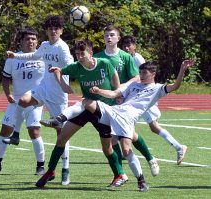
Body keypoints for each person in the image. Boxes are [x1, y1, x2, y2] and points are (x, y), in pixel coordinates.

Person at [37, 39, 132, 189]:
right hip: (85, 108)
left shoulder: (104, 64)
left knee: (107, 148)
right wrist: (61, 81)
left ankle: (119, 174)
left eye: (82, 54)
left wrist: (115, 96)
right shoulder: (76, 67)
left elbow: (116, 85)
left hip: (103, 111)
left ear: (91, 53)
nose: (80, 57)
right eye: (77, 54)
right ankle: (50, 171)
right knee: (62, 138)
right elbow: (60, 71)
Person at [4, 15, 74, 185]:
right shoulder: (44, 45)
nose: (53, 31)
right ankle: (16, 135)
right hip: (43, 89)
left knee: (62, 134)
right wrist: (15, 56)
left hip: (57, 96)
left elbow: (71, 66)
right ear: (47, 31)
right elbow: (34, 56)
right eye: (50, 29)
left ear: (61, 31)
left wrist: (63, 78)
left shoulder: (63, 48)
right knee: (23, 101)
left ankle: (65, 169)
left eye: (56, 29)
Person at [94, 25, 159, 175]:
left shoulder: (125, 56)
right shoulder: (97, 57)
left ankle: (150, 158)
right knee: (111, 137)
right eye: (106, 35)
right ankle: (120, 173)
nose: (109, 38)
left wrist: (121, 89)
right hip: (105, 101)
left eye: (112, 35)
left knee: (129, 135)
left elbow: (136, 77)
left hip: (122, 102)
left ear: (118, 38)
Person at [0, 28, 46, 175]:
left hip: (35, 101)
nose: (30, 41)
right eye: (27, 39)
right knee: (5, 130)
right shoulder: (13, 58)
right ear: (21, 41)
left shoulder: (42, 56)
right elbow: (5, 78)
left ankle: (40, 166)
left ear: (37, 42)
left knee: (34, 131)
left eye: (33, 39)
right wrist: (8, 94)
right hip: (16, 101)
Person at [121, 35, 187, 164]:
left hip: (145, 98)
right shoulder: (126, 58)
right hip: (137, 96)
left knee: (147, 125)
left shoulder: (137, 58)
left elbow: (147, 76)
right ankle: (179, 147)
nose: (126, 48)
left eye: (129, 45)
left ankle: (179, 147)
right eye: (124, 46)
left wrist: (151, 95)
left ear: (135, 45)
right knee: (152, 126)